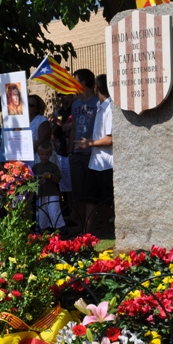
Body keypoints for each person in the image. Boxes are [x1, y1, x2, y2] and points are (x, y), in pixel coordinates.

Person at [75, 73, 113, 236]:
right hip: (94, 162)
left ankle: (108, 231)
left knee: (106, 202)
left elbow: (110, 139)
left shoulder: (110, 109)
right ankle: (87, 235)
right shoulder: (100, 106)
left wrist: (89, 143)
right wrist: (89, 140)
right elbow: (100, 136)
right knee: (90, 199)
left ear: (96, 88)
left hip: (106, 163)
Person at [68, 69, 99, 233]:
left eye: (76, 80)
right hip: (76, 153)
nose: (73, 84)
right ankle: (79, 225)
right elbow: (73, 128)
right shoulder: (75, 104)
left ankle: (90, 228)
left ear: (84, 83)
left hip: (91, 152)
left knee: (89, 192)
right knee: (77, 192)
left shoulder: (97, 103)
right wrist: (70, 152)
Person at [32, 141, 65, 231]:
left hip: (52, 194)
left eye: (46, 155)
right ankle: (45, 233)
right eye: (42, 154)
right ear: (38, 154)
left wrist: (51, 176)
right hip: (41, 194)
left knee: (54, 213)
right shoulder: (36, 167)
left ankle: (59, 231)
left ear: (50, 155)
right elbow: (31, 179)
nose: (44, 157)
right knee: (42, 216)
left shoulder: (53, 166)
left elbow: (58, 179)